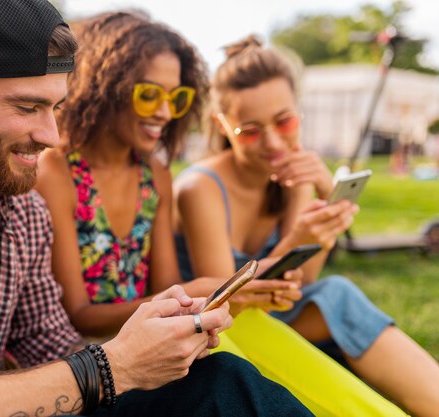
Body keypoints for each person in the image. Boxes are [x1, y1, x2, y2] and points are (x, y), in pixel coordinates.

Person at [0, 2, 315, 416]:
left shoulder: (22, 215)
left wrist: (150, 341)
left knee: (222, 384)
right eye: (27, 107)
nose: (51, 136)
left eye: (55, 107)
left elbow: (53, 347)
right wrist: (114, 366)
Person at [36, 12, 407, 417]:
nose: (164, 111)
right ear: (104, 87)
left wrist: (211, 292)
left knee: (244, 331)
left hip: (157, 329)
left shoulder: (153, 174)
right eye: (149, 95)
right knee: (230, 351)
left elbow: (163, 288)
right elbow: (81, 316)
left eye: (175, 99)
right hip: (100, 356)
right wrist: (197, 289)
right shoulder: (57, 171)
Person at [173, 34, 439, 417]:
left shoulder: (298, 173)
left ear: (299, 111)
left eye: (284, 121)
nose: (272, 142)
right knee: (337, 296)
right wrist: (297, 239)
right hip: (227, 328)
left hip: (277, 314)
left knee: (334, 292)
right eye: (250, 130)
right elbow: (226, 301)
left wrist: (324, 222)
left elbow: (305, 282)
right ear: (222, 125)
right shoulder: (201, 188)